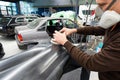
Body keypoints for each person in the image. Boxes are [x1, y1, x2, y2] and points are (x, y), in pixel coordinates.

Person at [52, 0, 120, 80]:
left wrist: (65, 42)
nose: (98, 10)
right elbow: (98, 30)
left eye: (102, 5)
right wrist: (74, 30)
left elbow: (91, 63)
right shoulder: (115, 25)